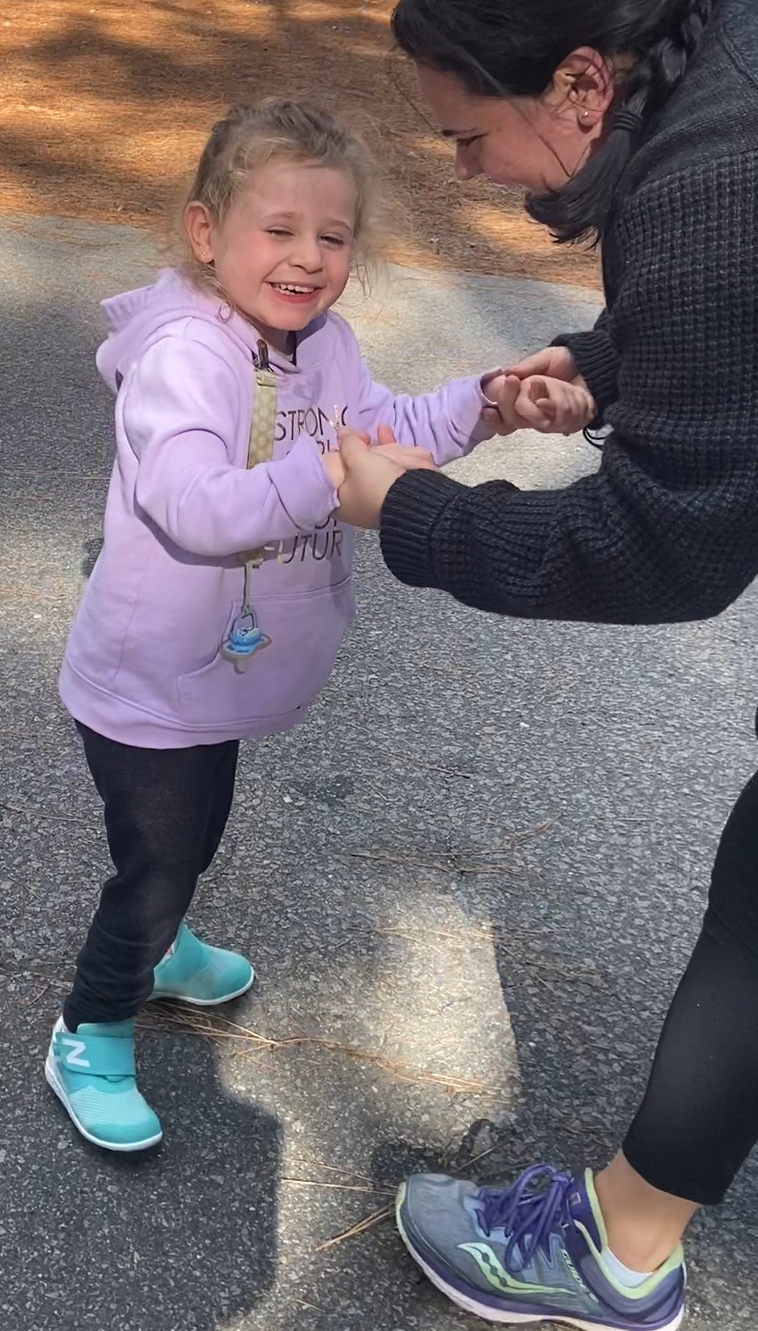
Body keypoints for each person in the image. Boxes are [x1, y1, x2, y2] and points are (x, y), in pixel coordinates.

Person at [331, 0, 758, 1331]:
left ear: (582, 80)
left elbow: (668, 546)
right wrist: (614, 364)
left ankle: (620, 1253)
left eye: (471, 132)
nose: (467, 170)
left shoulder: (708, 174)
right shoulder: (730, 44)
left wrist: (418, 515)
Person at [47, 99, 589, 1153]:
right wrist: (327, 472)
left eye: (331, 238)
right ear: (207, 235)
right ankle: (93, 1023)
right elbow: (194, 504)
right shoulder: (183, 359)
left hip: (215, 677)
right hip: (148, 680)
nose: (307, 259)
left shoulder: (319, 344)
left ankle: (162, 945)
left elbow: (387, 428)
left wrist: (486, 400)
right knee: (154, 862)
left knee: (192, 831)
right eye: (278, 231)